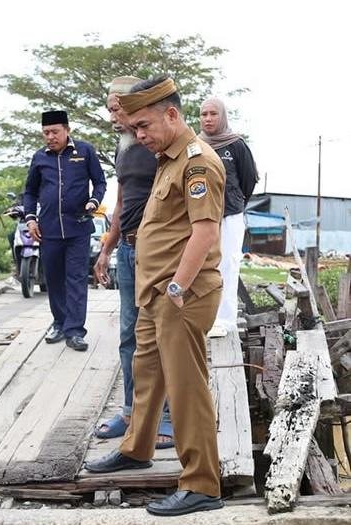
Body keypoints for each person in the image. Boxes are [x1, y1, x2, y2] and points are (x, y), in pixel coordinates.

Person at [84, 76, 225, 517]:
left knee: (186, 388)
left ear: (172, 114)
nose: (137, 134)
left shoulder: (198, 162)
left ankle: (202, 483)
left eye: (143, 125)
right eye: (133, 127)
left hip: (182, 293)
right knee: (145, 373)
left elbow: (205, 231)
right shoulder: (165, 158)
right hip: (155, 291)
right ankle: (136, 448)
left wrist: (178, 287)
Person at [93, 76, 173, 449]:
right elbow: (122, 199)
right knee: (128, 335)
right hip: (126, 249)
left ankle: (167, 417)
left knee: (160, 333)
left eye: (116, 107)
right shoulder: (124, 145)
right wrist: (107, 248)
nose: (112, 115)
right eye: (109, 108)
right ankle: (130, 411)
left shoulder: (159, 143)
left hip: (155, 250)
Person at [23, 110, 106, 350]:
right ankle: (59, 322)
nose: (50, 136)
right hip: (48, 230)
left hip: (78, 228)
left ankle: (75, 331)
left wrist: (94, 201)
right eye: (46, 133)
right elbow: (30, 192)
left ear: (67, 130)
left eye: (54, 132)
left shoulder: (85, 151)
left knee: (77, 279)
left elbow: (100, 181)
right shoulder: (39, 158)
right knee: (54, 279)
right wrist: (30, 219)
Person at [198, 98, 259, 337]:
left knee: (227, 265)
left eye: (213, 114)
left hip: (230, 215)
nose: (208, 119)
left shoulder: (236, 145)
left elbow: (248, 180)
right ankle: (205, 316)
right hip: (201, 216)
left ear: (222, 116)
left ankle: (224, 320)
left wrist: (235, 201)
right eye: (204, 114)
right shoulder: (195, 144)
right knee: (202, 265)